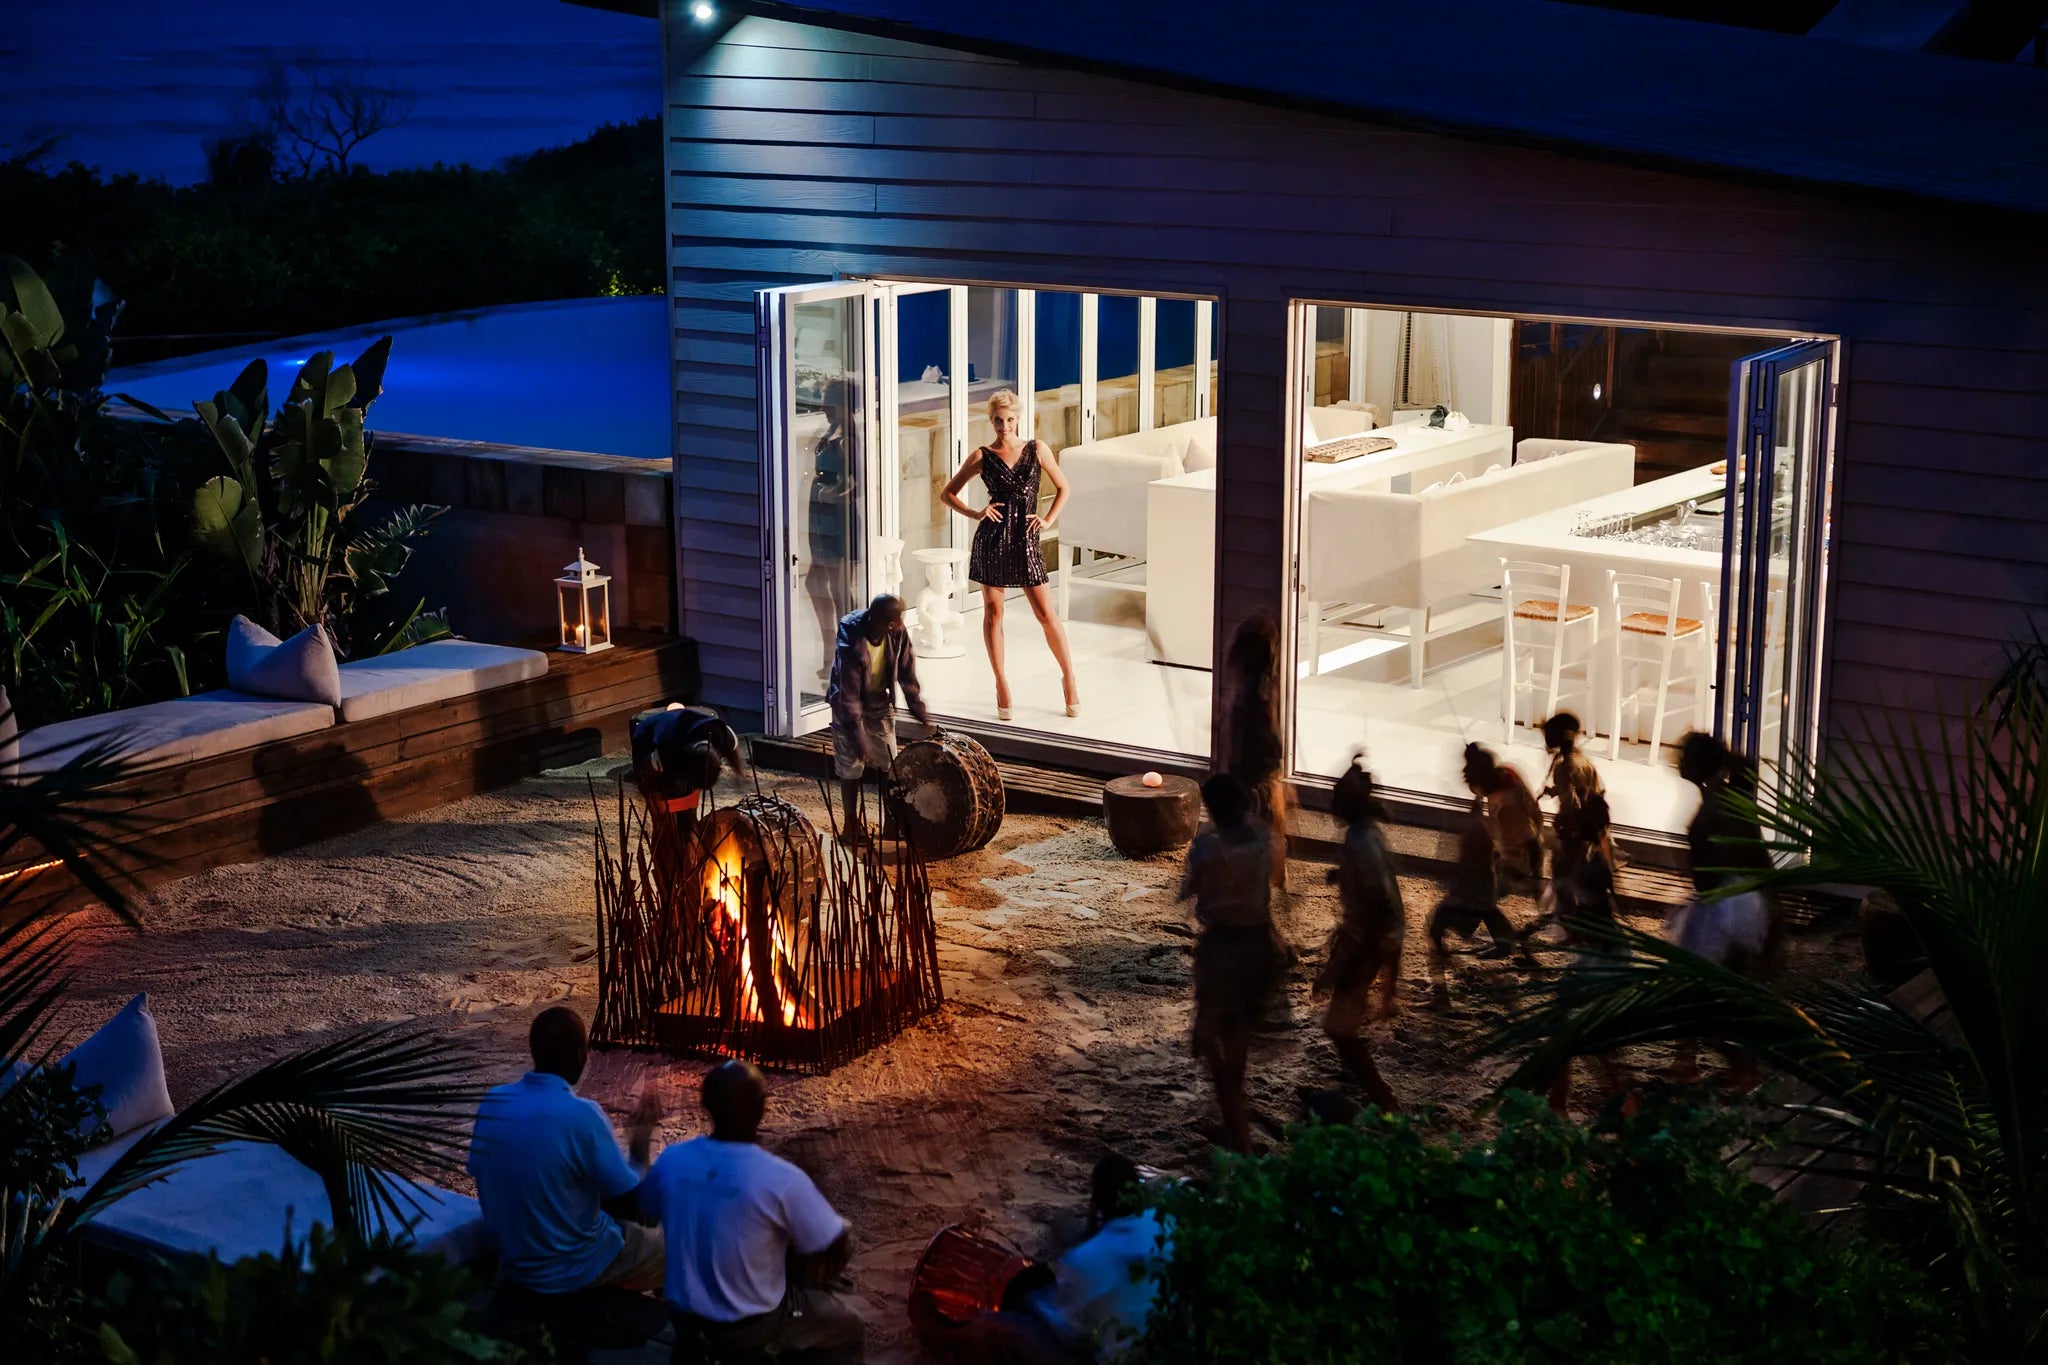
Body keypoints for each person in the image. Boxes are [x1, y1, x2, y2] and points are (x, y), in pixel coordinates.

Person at [646, 1061, 862, 1362]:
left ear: (707, 1105)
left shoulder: (672, 1160)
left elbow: (643, 1210)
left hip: (686, 1320)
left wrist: (638, 1149)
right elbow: (834, 1241)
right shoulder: (779, 1177)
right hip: (751, 1328)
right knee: (847, 1326)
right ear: (761, 1108)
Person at [469, 1007, 664, 1297]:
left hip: (516, 1261)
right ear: (578, 1054)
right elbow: (634, 1209)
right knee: (682, 1247)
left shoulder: (493, 1102)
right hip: (572, 1269)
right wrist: (640, 1146)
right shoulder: (581, 1115)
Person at [909, 1155, 1170, 1364]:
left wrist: (1035, 1301)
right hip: (1170, 1346)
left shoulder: (1089, 1258)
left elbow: (1071, 1333)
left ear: (1098, 1202)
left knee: (1001, 1325)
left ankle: (937, 1333)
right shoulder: (1165, 1224)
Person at [939, 390, 1080, 720]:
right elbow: (947, 494)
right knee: (993, 613)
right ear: (992, 421)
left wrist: (1047, 519)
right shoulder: (982, 456)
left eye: (1010, 419)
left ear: (1019, 420)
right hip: (992, 540)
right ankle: (1001, 683)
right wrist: (976, 513)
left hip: (1026, 539)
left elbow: (1064, 487)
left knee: (1046, 613)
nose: (1005, 425)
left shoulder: (1037, 450)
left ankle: (1069, 677)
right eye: (999, 420)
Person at [1666, 731, 1778, 1089]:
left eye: (1683, 755)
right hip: (1746, 902)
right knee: (1711, 993)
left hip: (1727, 908)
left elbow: (1706, 876)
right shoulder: (1732, 798)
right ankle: (1697, 1062)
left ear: (1697, 764)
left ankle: (1741, 1073)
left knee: (1708, 996)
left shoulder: (1711, 812)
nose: (1677, 760)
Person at [1179, 775, 1280, 1152]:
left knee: (1208, 1036)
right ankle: (1232, 1112)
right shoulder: (1261, 834)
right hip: (1258, 940)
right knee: (1237, 1034)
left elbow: (1193, 888)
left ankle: (1234, 1120)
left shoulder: (1206, 847)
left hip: (1223, 944)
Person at [1313, 758, 1404, 1110]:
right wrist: (1343, 876)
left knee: (1339, 1029)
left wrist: (1336, 968)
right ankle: (1358, 1081)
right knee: (1345, 1020)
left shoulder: (1360, 841)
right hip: (1380, 934)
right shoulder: (1366, 833)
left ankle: (1385, 1101)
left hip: (1369, 941)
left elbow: (1374, 907)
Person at [826, 594, 933, 844]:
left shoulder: (897, 631)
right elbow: (849, 694)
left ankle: (892, 822)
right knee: (851, 764)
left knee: (890, 764)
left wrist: (920, 713)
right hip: (846, 702)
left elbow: (907, 673)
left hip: (878, 700)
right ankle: (851, 826)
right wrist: (859, 739)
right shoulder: (851, 634)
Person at [1426, 797, 1527, 1010]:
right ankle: (1512, 954)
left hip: (1471, 898)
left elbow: (1470, 870)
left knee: (1435, 932)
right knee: (1501, 931)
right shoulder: (1485, 832)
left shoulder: (1477, 832)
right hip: (1480, 897)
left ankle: (1441, 995)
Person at [1223, 613, 1289, 891]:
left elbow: (1246, 747)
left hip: (1255, 783)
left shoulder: (1252, 696)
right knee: (1268, 838)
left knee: (1260, 839)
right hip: (1260, 782)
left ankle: (1266, 884)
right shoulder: (1263, 693)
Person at [804, 379, 859, 688]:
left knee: (839, 589)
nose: (824, 407)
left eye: (828, 401)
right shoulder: (831, 433)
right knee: (818, 582)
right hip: (821, 518)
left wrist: (833, 494)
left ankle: (842, 655)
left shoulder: (848, 439)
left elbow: (858, 484)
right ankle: (833, 651)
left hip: (837, 519)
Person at [1462, 741, 1543, 891]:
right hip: (1507, 852)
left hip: (1516, 864)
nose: (1464, 774)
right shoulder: (1507, 773)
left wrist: (1537, 879)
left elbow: (1531, 842)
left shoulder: (1506, 810)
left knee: (1483, 897)